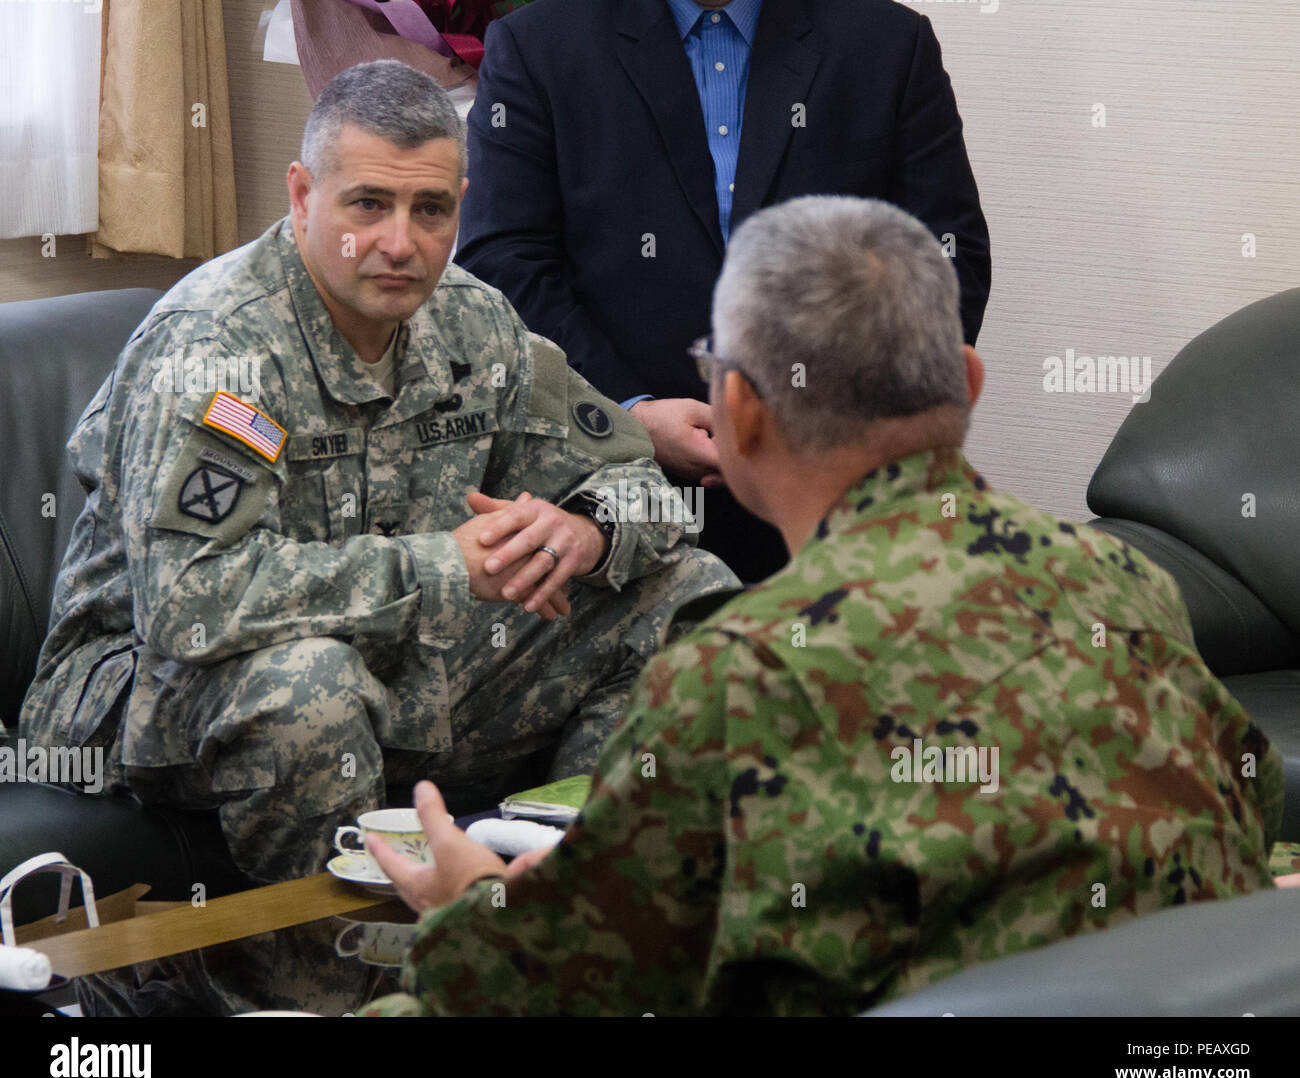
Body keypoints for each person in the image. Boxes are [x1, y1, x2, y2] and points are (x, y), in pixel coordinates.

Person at [360, 196, 1282, 1017]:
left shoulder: (740, 666)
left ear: (739, 413)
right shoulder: (1127, 585)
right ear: (966, 382)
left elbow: (556, 977)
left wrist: (475, 903)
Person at [17, 60, 739, 886]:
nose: (401, 242)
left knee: (684, 591)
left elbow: (641, 480)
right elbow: (190, 603)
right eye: (368, 204)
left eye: (430, 209)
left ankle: (572, 913)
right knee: (312, 684)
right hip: (138, 683)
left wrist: (585, 527)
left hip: (387, 662)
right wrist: (444, 567)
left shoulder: (475, 322)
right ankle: (323, 996)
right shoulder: (219, 349)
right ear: (301, 196)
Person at [455, 0, 992, 583]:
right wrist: (626, 416)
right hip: (609, 501)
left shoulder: (888, 42)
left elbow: (946, 256)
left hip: (844, 495)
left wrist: (853, 417)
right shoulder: (539, 44)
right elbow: (504, 262)